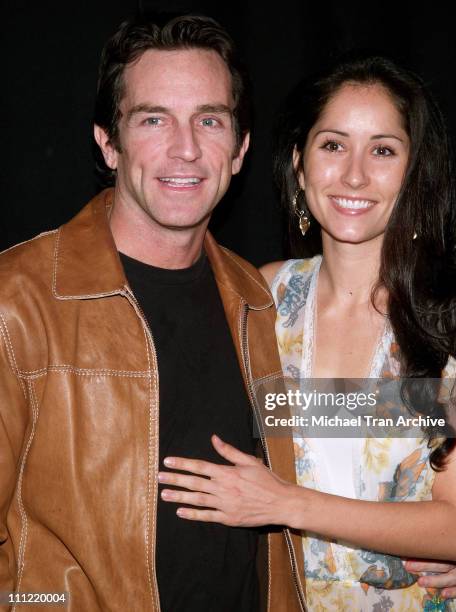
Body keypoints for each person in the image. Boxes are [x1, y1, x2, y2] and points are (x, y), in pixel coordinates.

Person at [157, 54, 456, 610]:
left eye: (383, 150)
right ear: (299, 164)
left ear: (417, 172)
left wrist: (285, 504)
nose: (355, 175)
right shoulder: (261, 298)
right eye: (334, 145)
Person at [0, 13, 308, 611]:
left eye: (209, 120)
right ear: (107, 142)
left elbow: (345, 422)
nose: (186, 148)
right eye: (153, 119)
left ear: (241, 149)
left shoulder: (261, 300)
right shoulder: (17, 303)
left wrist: (414, 534)